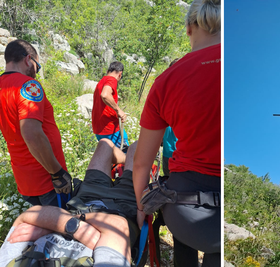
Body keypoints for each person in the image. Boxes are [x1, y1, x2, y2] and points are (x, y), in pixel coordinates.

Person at [132, 0, 221, 266]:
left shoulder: (167, 80)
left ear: (189, 28)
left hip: (184, 210)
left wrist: (141, 207)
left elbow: (141, 163)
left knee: (184, 243)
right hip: (220, 211)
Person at [0, 138, 141, 266]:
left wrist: (72, 227)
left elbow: (29, 215)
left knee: (105, 144)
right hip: (121, 209)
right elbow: (117, 225)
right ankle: (130, 158)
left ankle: (126, 158)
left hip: (82, 205)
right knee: (138, 147)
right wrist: (61, 224)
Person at [0, 39, 72, 208]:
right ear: (28, 59)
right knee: (63, 229)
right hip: (46, 179)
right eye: (37, 67)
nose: (36, 73)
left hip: (24, 179)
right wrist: (57, 173)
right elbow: (32, 134)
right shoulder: (28, 85)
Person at [92, 61, 129, 148]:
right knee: (124, 156)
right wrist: (118, 110)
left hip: (99, 128)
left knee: (108, 157)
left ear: (108, 71)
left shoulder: (102, 81)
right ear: (120, 74)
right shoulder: (111, 80)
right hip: (109, 128)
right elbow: (105, 95)